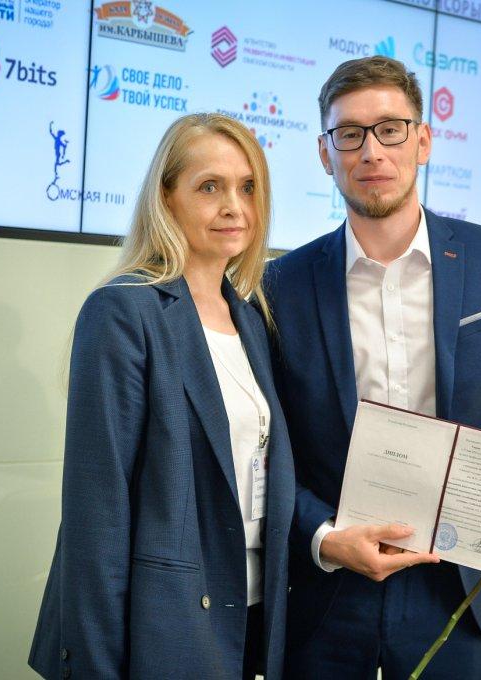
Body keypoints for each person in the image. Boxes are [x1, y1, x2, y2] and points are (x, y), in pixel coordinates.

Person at [263, 56, 481, 679]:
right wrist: (322, 536)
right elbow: (267, 446)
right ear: (325, 154)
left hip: (454, 584)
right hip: (328, 591)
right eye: (349, 134)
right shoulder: (280, 285)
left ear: (423, 141)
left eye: (390, 129)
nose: (371, 151)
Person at [29, 113, 295, 680]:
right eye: (210, 187)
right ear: (166, 198)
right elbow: (97, 514)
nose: (235, 207)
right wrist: (97, 668)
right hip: (164, 630)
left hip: (248, 619)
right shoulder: (123, 311)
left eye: (248, 187)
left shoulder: (251, 319)